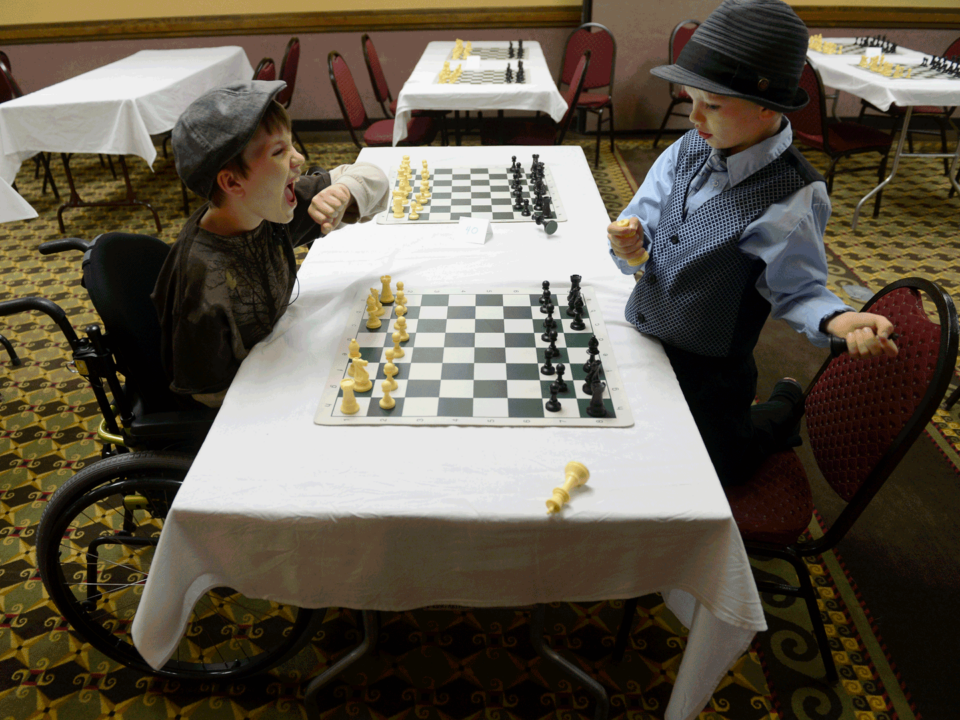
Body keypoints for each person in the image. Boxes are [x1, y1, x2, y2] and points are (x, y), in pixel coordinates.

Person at [606, 0, 898, 486]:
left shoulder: (793, 196)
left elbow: (799, 291)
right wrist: (629, 244)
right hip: (648, 332)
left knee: (719, 469)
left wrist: (840, 320)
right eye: (690, 98)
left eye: (713, 105)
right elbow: (645, 221)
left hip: (712, 372)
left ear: (769, 107)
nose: (694, 117)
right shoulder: (691, 146)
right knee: (634, 444)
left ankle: (782, 409)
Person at [152, 81, 389, 408]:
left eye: (292, 146)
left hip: (276, 358)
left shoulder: (262, 209)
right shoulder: (201, 277)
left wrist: (346, 190)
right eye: (279, 152)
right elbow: (207, 392)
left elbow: (373, 175)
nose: (299, 159)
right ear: (232, 182)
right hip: (239, 408)